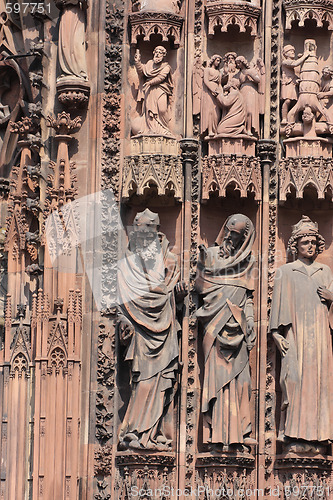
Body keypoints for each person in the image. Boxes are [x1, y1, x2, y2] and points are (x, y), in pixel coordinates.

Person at [117, 209, 186, 451]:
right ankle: (134, 431)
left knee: (162, 384)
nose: (143, 234)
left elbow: (172, 295)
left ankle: (155, 434)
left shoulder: (170, 261)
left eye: (148, 229)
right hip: (141, 336)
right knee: (143, 383)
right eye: (139, 229)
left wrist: (177, 297)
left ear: (157, 232)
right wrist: (123, 323)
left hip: (165, 332)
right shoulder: (126, 266)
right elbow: (119, 306)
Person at [269, 216, 333, 453]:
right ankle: (293, 435)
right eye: (305, 242)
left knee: (319, 384)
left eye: (313, 242)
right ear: (295, 245)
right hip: (295, 334)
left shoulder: (325, 272)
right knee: (294, 381)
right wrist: (277, 334)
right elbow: (277, 308)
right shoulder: (286, 271)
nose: (310, 246)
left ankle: (318, 438)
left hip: (320, 337)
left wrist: (331, 298)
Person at [196, 214, 257, 449]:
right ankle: (216, 435)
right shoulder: (210, 255)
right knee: (216, 381)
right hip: (214, 325)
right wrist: (202, 265)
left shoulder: (248, 262)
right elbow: (200, 288)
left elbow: (249, 296)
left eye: (236, 234)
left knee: (242, 382)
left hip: (238, 326)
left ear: (244, 238)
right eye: (229, 230)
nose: (230, 236)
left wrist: (250, 317)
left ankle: (240, 431)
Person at [132, 46, 174, 136]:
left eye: (160, 52)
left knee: (162, 110)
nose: (158, 54)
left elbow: (161, 77)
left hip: (161, 89)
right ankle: (150, 129)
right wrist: (137, 62)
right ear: (154, 53)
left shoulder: (166, 67)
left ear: (163, 55)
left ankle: (164, 129)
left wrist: (150, 82)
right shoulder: (149, 64)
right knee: (149, 111)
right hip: (149, 91)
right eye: (156, 52)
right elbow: (142, 72)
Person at [56, 0, 89, 82]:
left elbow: (85, 4)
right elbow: (57, 3)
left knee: (76, 44)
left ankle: (79, 72)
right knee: (65, 44)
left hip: (76, 14)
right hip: (65, 13)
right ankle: (67, 71)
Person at [281, 45, 309, 124]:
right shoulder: (285, 62)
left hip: (293, 83)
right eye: (290, 51)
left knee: (296, 102)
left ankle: (295, 119)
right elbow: (295, 63)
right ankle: (284, 118)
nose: (293, 52)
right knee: (287, 100)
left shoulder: (293, 63)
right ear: (286, 54)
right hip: (287, 84)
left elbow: (297, 69)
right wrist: (305, 56)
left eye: (293, 50)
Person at [235, 56, 261, 136]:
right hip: (242, 91)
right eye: (237, 64)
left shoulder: (251, 70)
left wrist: (250, 74)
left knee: (250, 110)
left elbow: (258, 79)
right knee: (243, 111)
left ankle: (249, 129)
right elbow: (235, 83)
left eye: (239, 62)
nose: (238, 65)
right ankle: (244, 129)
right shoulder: (239, 74)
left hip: (251, 90)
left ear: (243, 62)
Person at [200, 55, 223, 137]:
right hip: (208, 92)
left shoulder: (218, 73)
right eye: (217, 60)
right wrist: (212, 90)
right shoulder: (207, 70)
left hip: (216, 92)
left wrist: (221, 93)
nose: (218, 62)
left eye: (219, 61)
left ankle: (215, 129)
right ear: (213, 60)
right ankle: (209, 130)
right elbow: (205, 81)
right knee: (209, 111)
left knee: (216, 111)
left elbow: (220, 84)